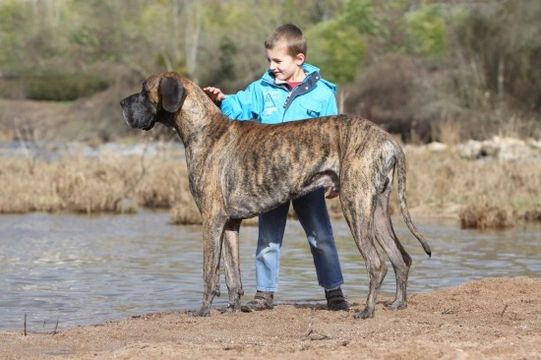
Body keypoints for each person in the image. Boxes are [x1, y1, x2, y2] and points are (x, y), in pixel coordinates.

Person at [203, 24, 349, 312]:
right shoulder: (261, 89)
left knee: (320, 235)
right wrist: (221, 100)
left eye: (278, 61)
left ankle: (334, 293)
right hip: (269, 180)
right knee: (268, 239)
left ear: (299, 59)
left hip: (310, 177)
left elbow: (335, 137)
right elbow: (238, 109)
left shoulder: (322, 93)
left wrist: (337, 177)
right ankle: (264, 295)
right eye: (269, 60)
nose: (271, 67)